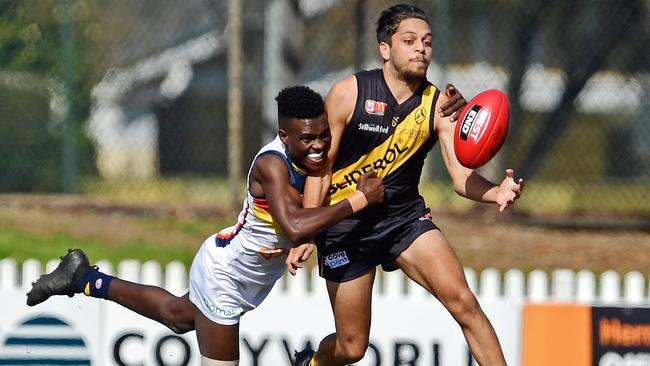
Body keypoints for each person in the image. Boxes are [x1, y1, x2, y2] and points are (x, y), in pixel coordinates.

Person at [27, 85, 390, 365]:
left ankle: (82, 278)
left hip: (243, 271)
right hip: (225, 277)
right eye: (307, 139)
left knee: (177, 316)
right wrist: (357, 200)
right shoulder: (272, 165)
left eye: (324, 135)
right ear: (284, 137)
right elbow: (295, 226)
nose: (319, 146)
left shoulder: (315, 159)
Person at [292, 4, 525, 366]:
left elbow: (461, 178)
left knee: (464, 303)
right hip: (345, 227)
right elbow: (320, 169)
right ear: (385, 48)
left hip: (403, 220)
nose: (421, 48)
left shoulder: (438, 105)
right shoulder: (348, 93)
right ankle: (311, 363)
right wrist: (307, 229)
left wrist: (496, 191)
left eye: (428, 42)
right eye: (410, 40)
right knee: (352, 348)